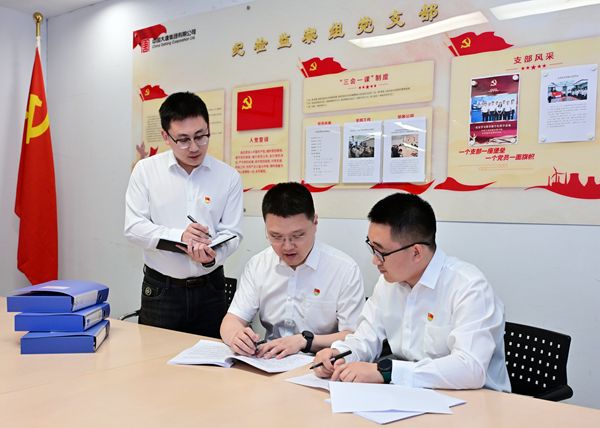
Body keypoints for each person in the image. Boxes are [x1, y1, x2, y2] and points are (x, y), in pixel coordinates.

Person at [313, 193, 510, 392]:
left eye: (381, 252)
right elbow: (365, 337)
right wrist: (339, 354)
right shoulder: (388, 283)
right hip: (409, 394)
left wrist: (388, 372)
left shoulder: (469, 287)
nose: (375, 260)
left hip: (475, 401)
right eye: (371, 248)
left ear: (416, 252)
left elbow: (470, 369)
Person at [124, 92, 243, 337]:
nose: (194, 147)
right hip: (161, 290)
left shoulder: (228, 176)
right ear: (166, 137)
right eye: (183, 139)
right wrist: (181, 237)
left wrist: (210, 257)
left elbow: (233, 233)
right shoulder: (146, 171)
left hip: (211, 289)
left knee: (212, 357)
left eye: (200, 136)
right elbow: (134, 228)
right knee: (155, 357)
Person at [220, 182, 365, 359]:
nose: (287, 246)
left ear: (315, 222)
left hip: (320, 363)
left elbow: (353, 336)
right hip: (270, 361)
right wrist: (236, 336)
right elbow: (232, 320)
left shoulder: (344, 269)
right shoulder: (258, 265)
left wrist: (305, 341)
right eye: (276, 237)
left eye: (297, 236)